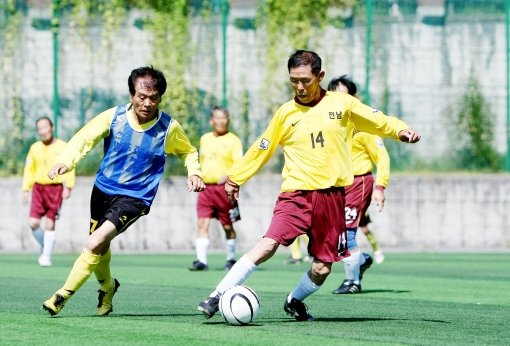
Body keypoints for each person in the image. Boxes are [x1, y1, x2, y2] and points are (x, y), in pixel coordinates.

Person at [197, 50, 420, 321]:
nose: (299, 87)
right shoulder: (286, 113)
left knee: (322, 269)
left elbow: (378, 120)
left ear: (320, 76)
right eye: (293, 81)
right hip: (296, 194)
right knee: (268, 244)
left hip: (333, 198)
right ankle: (217, 295)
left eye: (305, 80)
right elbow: (262, 148)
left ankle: (294, 300)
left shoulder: (344, 104)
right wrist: (236, 177)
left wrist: (400, 130)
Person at [42, 66, 205, 317]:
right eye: (142, 96)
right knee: (100, 247)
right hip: (102, 190)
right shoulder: (114, 117)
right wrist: (66, 160)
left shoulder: (168, 128)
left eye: (154, 97)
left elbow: (188, 150)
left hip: (135, 198)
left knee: (94, 241)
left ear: (160, 97)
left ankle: (62, 295)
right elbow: (85, 138)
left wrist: (194, 171)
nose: (148, 103)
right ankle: (108, 288)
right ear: (131, 95)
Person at [327, 75, 390, 294]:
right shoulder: (331, 126)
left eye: (344, 96)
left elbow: (382, 157)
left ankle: (352, 281)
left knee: (347, 232)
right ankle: (361, 259)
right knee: (335, 233)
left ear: (353, 99)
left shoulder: (364, 127)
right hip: (338, 185)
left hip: (359, 182)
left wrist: (380, 187)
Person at [189, 106, 243, 271]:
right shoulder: (205, 138)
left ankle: (231, 259)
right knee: (202, 223)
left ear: (228, 120)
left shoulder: (234, 140)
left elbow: (240, 164)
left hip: (224, 190)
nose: (220, 121)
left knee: (227, 226)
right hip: (206, 190)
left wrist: (228, 177)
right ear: (211, 121)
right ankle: (201, 261)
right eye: (217, 118)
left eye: (223, 118)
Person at [22, 116, 75, 267]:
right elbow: (29, 169)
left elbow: (70, 166)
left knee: (50, 223)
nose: (43, 131)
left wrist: (69, 186)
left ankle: (46, 257)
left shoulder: (63, 146)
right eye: (40, 129)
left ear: (52, 127)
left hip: (55, 189)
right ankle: (47, 244)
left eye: (45, 127)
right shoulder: (34, 148)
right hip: (38, 189)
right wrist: (25, 189)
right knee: (33, 223)